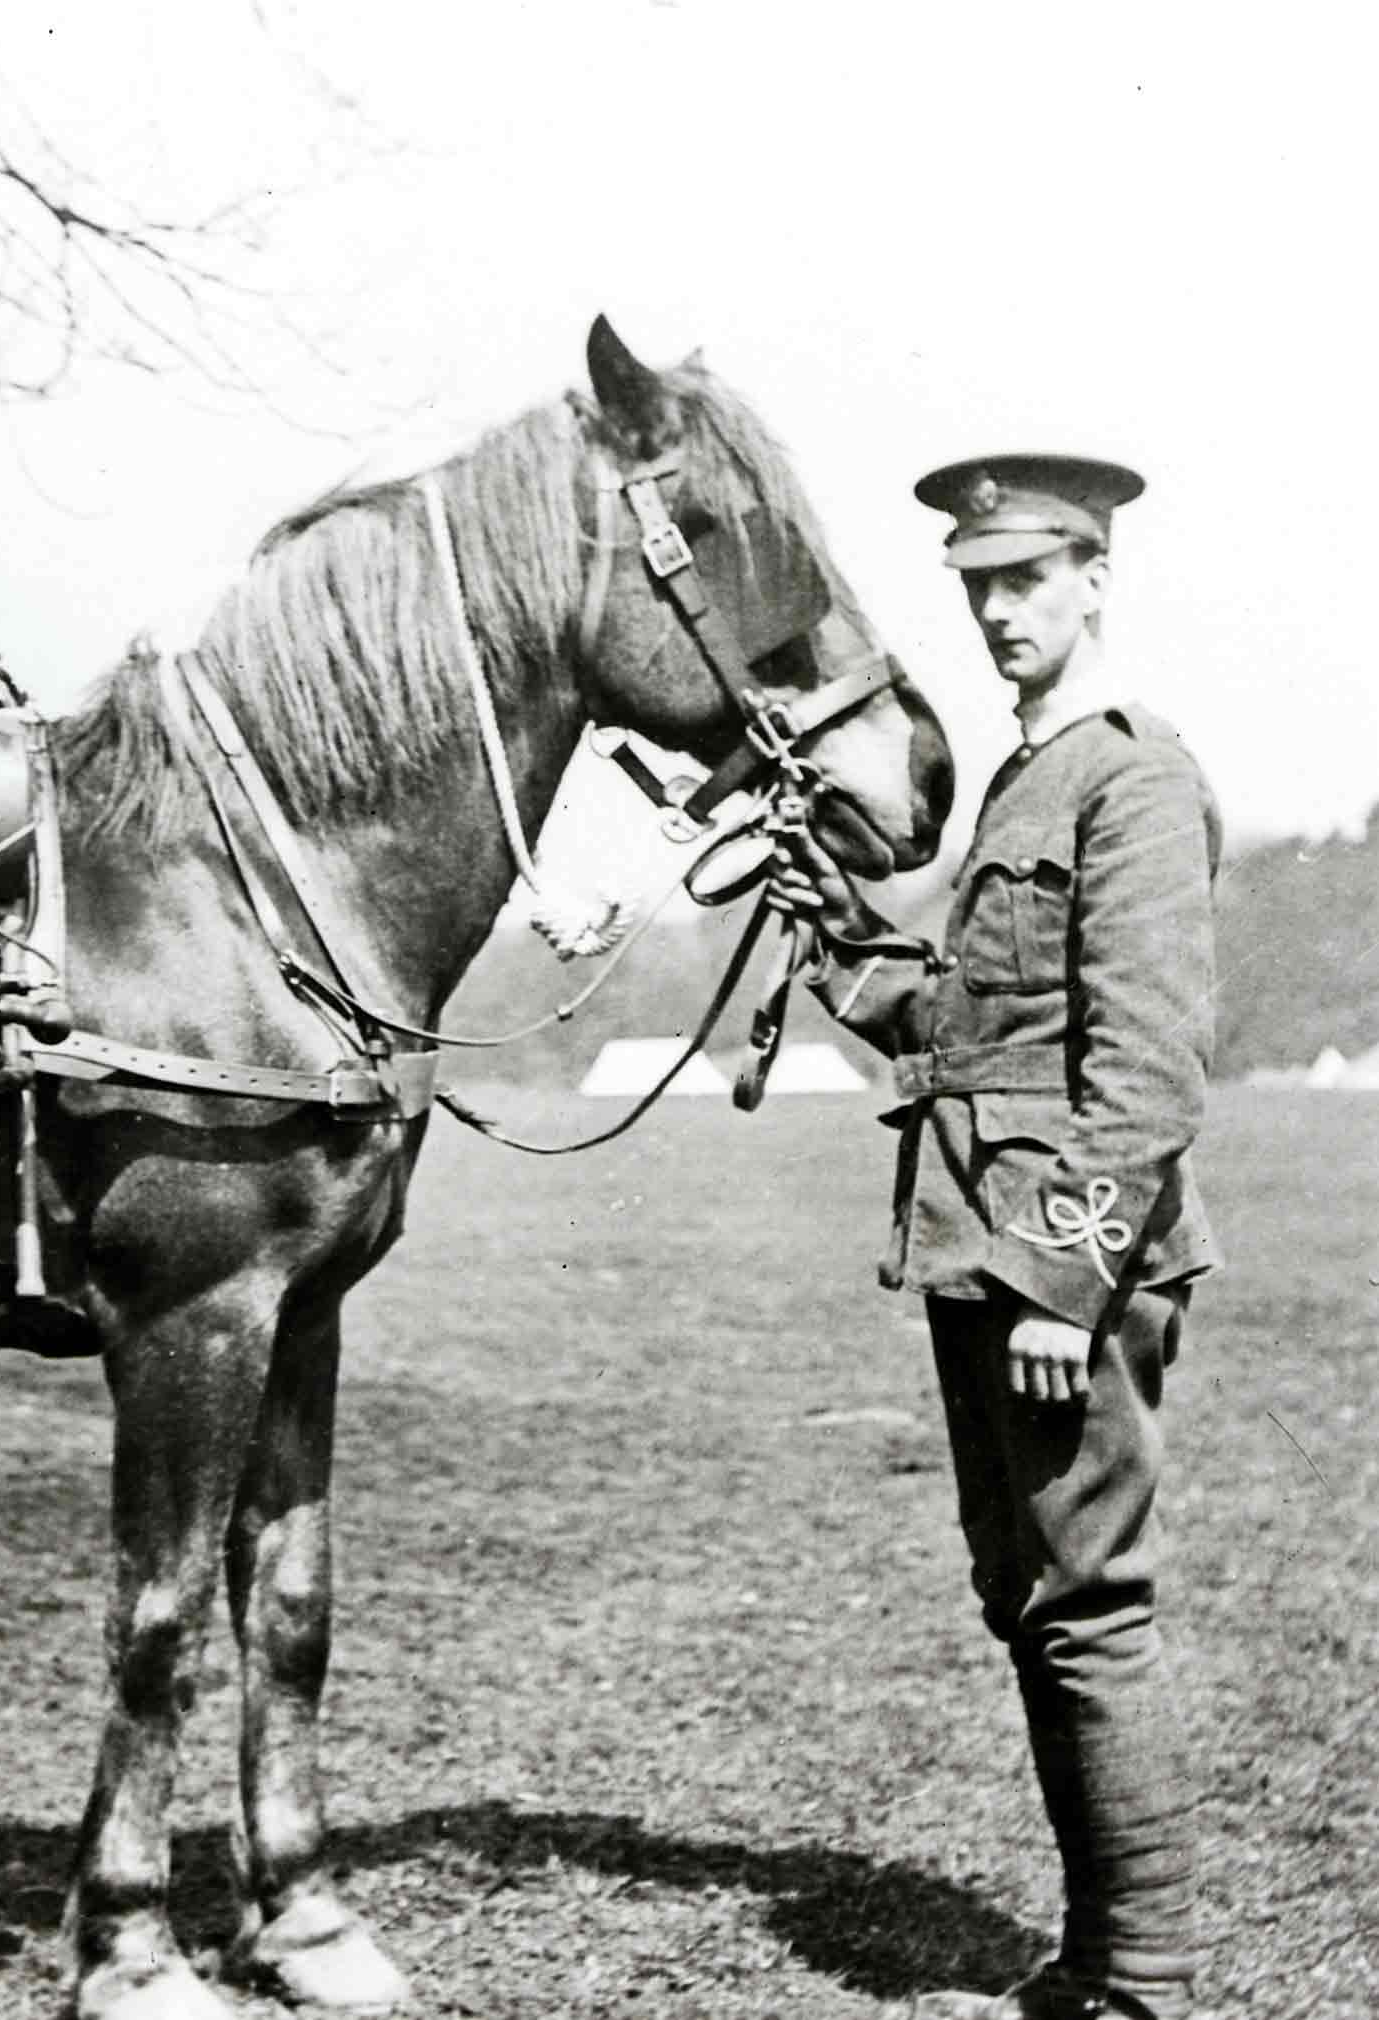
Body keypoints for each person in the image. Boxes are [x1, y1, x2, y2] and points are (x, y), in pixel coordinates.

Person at [769, 454, 1218, 2020]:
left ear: (1095, 576)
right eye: (974, 584)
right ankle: (1097, 1961)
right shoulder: (1028, 776)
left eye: (1026, 578)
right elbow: (970, 1020)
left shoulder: (1130, 773)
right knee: (1030, 1601)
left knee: (1086, 1610)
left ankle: (1142, 1980)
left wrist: (1063, 1277)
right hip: (974, 1241)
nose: (995, 609)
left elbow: (1148, 1064)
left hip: (1053, 1267)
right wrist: (836, 931)